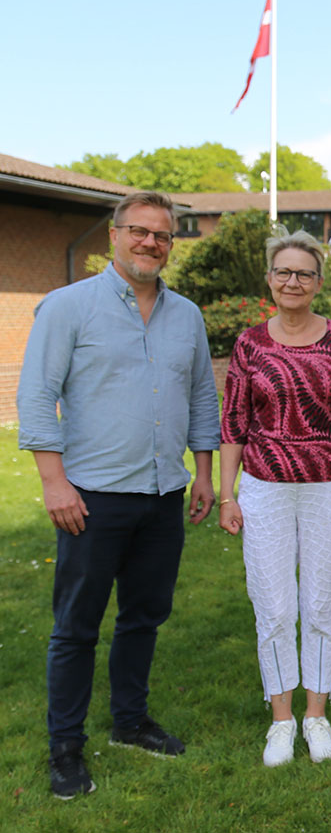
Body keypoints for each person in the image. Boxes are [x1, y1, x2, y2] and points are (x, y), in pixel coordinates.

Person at [17, 191, 220, 799]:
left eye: (162, 235)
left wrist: (203, 474)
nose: (150, 243)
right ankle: (65, 747)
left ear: (171, 245)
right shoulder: (67, 307)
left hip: (163, 495)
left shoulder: (187, 316)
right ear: (115, 234)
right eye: (139, 231)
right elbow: (36, 395)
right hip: (91, 497)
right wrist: (54, 482)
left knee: (143, 618)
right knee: (76, 627)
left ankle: (130, 721)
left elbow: (201, 397)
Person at [218, 229, 331, 767]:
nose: (293, 281)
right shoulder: (249, 344)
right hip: (265, 489)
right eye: (283, 271)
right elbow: (234, 422)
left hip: (329, 488)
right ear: (269, 278)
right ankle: (281, 719)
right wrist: (226, 495)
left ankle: (316, 714)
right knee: (275, 604)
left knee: (322, 602)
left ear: (318, 282)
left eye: (304, 273)